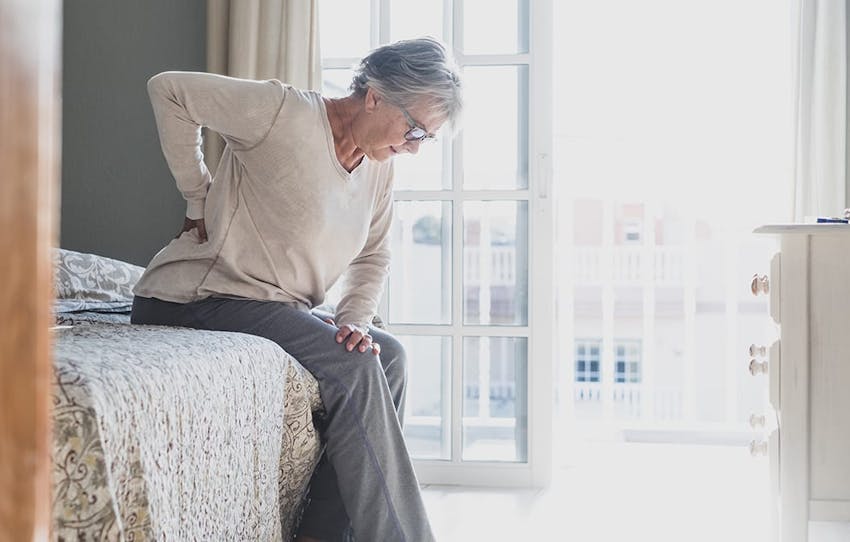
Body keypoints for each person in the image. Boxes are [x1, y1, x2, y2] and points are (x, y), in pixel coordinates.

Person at [130, 37, 462, 542]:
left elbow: (374, 254)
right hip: (201, 298)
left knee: (385, 353)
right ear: (374, 95)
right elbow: (170, 91)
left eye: (427, 137)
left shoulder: (379, 167)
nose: (415, 145)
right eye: (413, 127)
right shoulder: (283, 113)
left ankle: (322, 534)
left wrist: (354, 320)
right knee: (354, 364)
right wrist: (197, 197)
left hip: (273, 306)